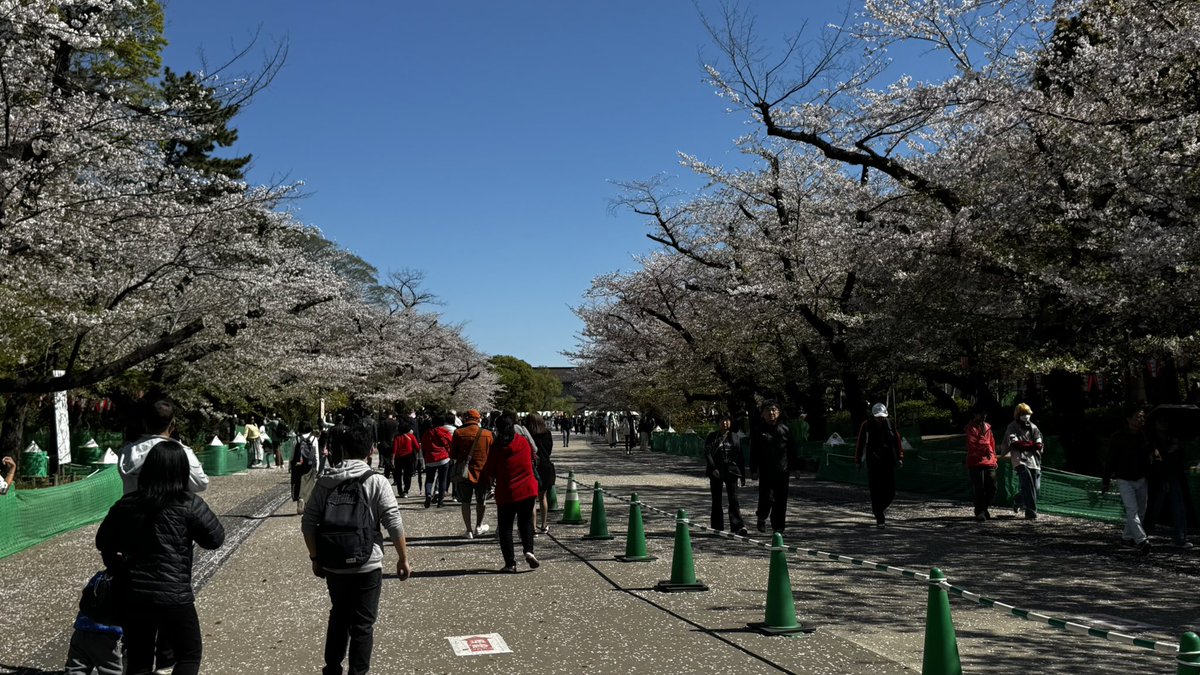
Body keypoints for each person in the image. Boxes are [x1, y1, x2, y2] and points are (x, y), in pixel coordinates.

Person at [96, 441, 225, 675]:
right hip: (174, 594)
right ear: (182, 471)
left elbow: (103, 541)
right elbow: (215, 539)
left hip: (134, 594)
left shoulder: (127, 504)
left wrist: (119, 565)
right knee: (189, 654)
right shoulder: (188, 503)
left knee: (138, 660)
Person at [302, 421, 411, 675]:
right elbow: (393, 521)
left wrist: (315, 557)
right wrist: (403, 558)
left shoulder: (326, 480)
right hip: (367, 563)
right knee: (363, 624)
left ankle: (331, 668)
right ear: (370, 451)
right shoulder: (376, 481)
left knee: (339, 615)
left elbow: (308, 523)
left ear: (343, 450)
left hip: (333, 562)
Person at [481, 412, 540, 573]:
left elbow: (490, 470)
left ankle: (510, 563)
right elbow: (532, 458)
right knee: (525, 522)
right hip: (527, 489)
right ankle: (529, 551)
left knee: (506, 527)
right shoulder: (523, 442)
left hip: (507, 491)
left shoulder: (496, 447)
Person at [117, 400, 208, 496]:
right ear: (172, 425)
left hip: (134, 508)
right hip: (172, 509)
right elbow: (201, 484)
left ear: (144, 423)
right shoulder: (182, 452)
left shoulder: (126, 452)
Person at [1102, 407, 1156, 555]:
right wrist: (1105, 480)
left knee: (1141, 511)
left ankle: (1126, 537)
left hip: (1142, 478)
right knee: (1132, 510)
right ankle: (1142, 540)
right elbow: (1110, 460)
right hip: (1124, 479)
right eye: (1138, 416)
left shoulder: (1146, 436)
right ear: (1129, 419)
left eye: (1143, 417)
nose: (1141, 419)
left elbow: (1151, 457)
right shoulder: (1118, 437)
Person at [63, 570, 123, 675]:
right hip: (109, 635)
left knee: (76, 667)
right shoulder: (132, 582)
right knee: (110, 669)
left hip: (82, 630)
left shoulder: (100, 576)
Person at [855, 403, 904, 527]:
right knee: (876, 490)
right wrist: (858, 460)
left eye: (882, 416)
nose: (881, 418)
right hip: (873, 462)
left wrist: (900, 457)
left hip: (888, 461)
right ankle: (879, 517)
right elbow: (860, 443)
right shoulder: (866, 425)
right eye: (878, 417)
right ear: (874, 416)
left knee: (890, 491)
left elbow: (897, 442)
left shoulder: (890, 424)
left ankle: (879, 509)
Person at [750, 400, 796, 533]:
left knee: (781, 502)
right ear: (762, 414)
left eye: (774, 410)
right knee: (767, 498)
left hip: (783, 470)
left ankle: (778, 529)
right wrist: (753, 469)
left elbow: (792, 449)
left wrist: (797, 467)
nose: (771, 413)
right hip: (766, 471)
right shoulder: (758, 430)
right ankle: (762, 516)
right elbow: (754, 452)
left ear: (779, 413)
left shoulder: (785, 429)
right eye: (768, 410)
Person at [450, 410, 494, 538]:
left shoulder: (458, 433)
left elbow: (452, 454)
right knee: (481, 501)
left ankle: (468, 530)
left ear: (465, 419)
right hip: (483, 472)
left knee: (465, 501)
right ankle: (478, 526)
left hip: (465, 473)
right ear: (478, 419)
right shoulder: (487, 434)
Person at [705, 415, 747, 535]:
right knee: (716, 500)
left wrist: (742, 475)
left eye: (727, 420)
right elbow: (707, 453)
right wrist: (713, 468)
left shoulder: (735, 437)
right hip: (716, 472)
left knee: (733, 499)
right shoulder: (712, 436)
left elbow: (740, 456)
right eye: (722, 420)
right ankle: (717, 527)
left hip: (731, 471)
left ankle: (737, 526)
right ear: (718, 423)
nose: (725, 423)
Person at [1003, 403, 1044, 520]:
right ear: (1018, 415)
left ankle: (1019, 500)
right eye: (1023, 414)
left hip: (1033, 460)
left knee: (1035, 488)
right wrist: (1031, 444)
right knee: (1027, 482)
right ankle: (1031, 511)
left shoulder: (1034, 427)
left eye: (1028, 414)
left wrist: (1029, 445)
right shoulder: (1012, 426)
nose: (1026, 416)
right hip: (1019, 459)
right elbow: (1015, 443)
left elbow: (1039, 444)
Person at [522, 412, 555, 534]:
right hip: (545, 466)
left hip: (531, 467)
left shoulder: (527, 435)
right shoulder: (547, 434)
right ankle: (544, 524)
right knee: (543, 497)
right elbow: (549, 450)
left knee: (532, 499)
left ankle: (533, 527)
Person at [965, 407, 997, 522]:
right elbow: (972, 444)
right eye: (981, 413)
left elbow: (992, 444)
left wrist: (994, 459)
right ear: (975, 414)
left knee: (992, 487)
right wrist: (986, 448)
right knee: (979, 488)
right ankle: (980, 511)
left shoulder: (988, 427)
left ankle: (984, 508)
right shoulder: (970, 428)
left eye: (985, 414)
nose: (983, 416)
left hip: (989, 461)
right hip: (975, 461)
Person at [420, 413, 453, 508]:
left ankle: (428, 494)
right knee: (443, 480)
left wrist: (425, 456)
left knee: (429, 479)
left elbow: (424, 445)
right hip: (443, 458)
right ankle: (440, 501)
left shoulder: (427, 432)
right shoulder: (445, 431)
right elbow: (450, 443)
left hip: (430, 458)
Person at [291, 423, 321, 514]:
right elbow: (316, 454)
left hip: (298, 464)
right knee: (309, 484)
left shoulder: (296, 438)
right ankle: (307, 503)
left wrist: (290, 465)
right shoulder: (314, 439)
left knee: (297, 482)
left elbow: (292, 454)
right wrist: (318, 466)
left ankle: (299, 499)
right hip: (310, 465)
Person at [391, 419, 420, 498]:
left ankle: (400, 491)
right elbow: (417, 447)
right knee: (407, 475)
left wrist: (392, 459)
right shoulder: (411, 436)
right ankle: (406, 490)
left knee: (398, 475)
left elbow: (394, 450)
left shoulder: (396, 437)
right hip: (409, 457)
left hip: (398, 458)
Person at [376, 413, 398, 480]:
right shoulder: (396, 423)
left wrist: (379, 441)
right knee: (393, 459)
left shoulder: (382, 423)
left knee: (386, 459)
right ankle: (394, 474)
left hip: (385, 443)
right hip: (393, 442)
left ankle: (387, 473)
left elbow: (379, 433)